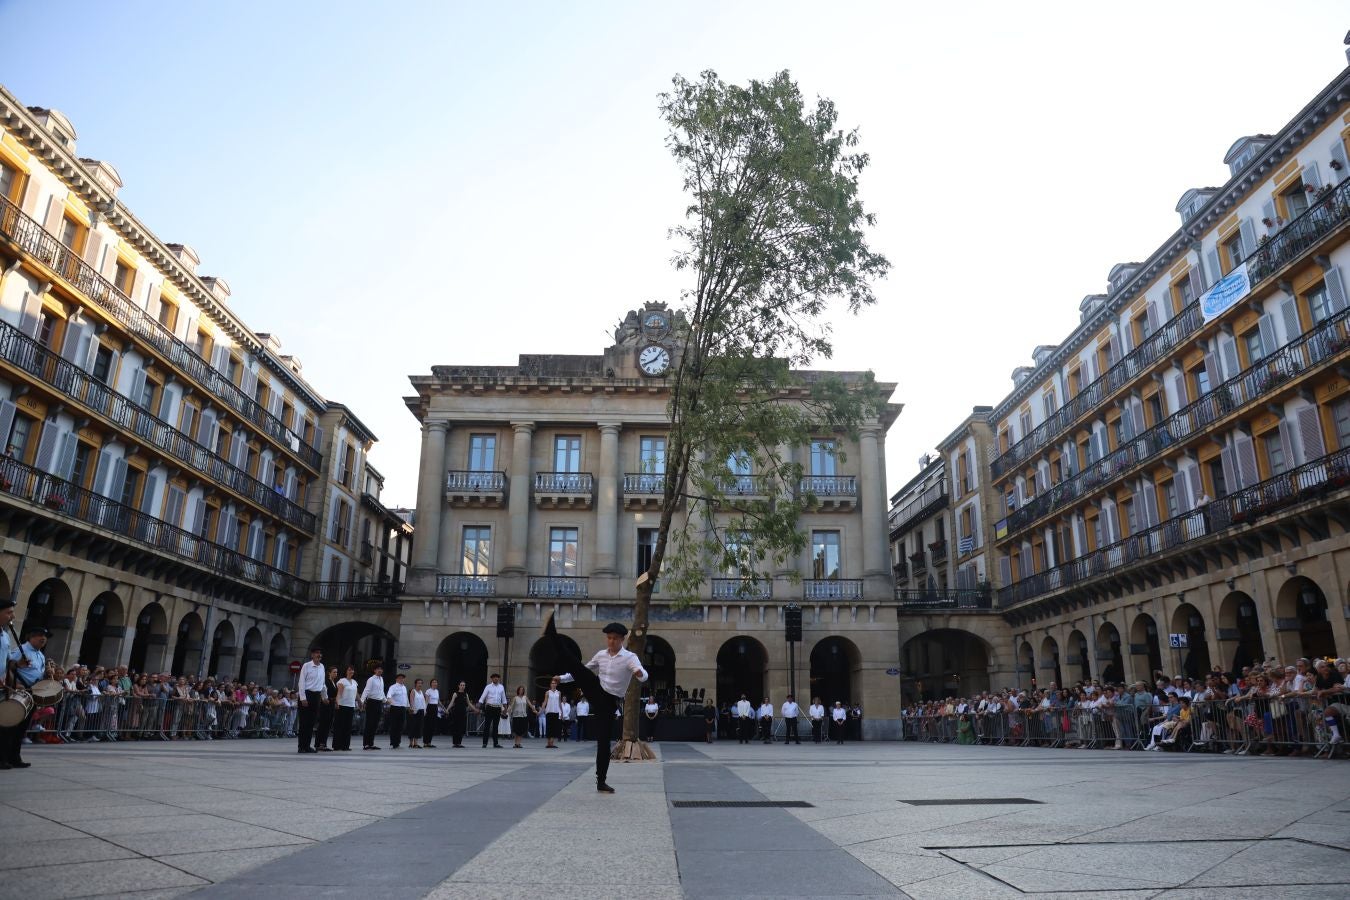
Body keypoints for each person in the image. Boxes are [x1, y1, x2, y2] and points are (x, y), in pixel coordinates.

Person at [547, 615, 648, 793]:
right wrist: (561, 678)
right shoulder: (601, 655)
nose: (611, 641)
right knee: (576, 665)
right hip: (596, 689)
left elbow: (643, 674)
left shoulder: (629, 657)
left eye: (615, 638)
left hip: (609, 702)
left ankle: (601, 781)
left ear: (622, 639)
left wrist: (640, 673)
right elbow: (582, 671)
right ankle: (552, 635)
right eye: (609, 638)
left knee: (603, 743)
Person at [4, 624, 49, 768]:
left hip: (32, 692)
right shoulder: (20, 651)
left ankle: (14, 757)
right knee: (11, 727)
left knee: (21, 728)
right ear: (31, 637)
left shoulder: (40, 654)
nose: (43, 639)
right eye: (39, 635)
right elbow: (8, 667)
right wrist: (14, 684)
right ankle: (3, 757)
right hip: (20, 692)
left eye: (45, 637)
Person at [296, 647, 324, 754]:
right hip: (307, 694)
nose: (319, 655)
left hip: (316, 695)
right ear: (312, 655)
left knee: (311, 722)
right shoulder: (306, 666)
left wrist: (324, 696)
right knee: (304, 722)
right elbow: (301, 682)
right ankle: (301, 746)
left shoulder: (322, 667)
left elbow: (322, 683)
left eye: (320, 653)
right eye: (317, 653)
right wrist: (303, 698)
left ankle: (307, 745)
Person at [359, 663, 386, 750]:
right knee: (369, 723)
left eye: (381, 669)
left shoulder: (381, 679)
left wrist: (385, 700)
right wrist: (362, 701)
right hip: (372, 702)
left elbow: (381, 691)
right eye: (378, 669)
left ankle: (371, 743)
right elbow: (366, 690)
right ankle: (366, 744)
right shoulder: (371, 679)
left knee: (375, 724)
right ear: (374, 670)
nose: (380, 670)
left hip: (379, 703)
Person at [333, 666, 357, 751]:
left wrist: (361, 702)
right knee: (340, 726)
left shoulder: (354, 682)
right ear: (346, 671)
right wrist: (337, 702)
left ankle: (345, 745)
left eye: (352, 670)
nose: (351, 671)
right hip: (342, 705)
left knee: (348, 726)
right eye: (349, 670)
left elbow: (356, 694)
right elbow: (339, 693)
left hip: (351, 706)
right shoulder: (342, 681)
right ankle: (337, 745)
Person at [479, 673, 506, 748]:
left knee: (495, 726)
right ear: (492, 679)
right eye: (494, 678)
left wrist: (505, 709)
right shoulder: (488, 687)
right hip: (489, 707)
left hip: (497, 708)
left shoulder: (501, 687)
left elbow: (503, 698)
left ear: (498, 679)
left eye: (497, 677)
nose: (496, 679)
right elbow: (482, 697)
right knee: (487, 726)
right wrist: (479, 707)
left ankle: (495, 743)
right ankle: (485, 743)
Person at [315, 666, 339, 752]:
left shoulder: (334, 682)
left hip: (332, 704)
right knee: (323, 724)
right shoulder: (326, 681)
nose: (335, 674)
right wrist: (323, 699)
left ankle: (323, 743)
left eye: (336, 672)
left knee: (328, 724)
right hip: (326, 704)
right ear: (329, 673)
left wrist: (336, 702)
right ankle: (319, 744)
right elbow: (322, 691)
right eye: (334, 672)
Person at [446, 680, 474, 748]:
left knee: (461, 728)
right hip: (456, 713)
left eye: (463, 685)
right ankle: (455, 743)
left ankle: (459, 743)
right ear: (459, 686)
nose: (462, 686)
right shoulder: (455, 693)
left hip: (463, 713)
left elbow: (469, 703)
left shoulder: (466, 694)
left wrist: (475, 709)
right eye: (461, 685)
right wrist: (447, 709)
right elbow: (452, 702)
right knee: (456, 727)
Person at [386, 673, 410, 749]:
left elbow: (406, 698)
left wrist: (408, 706)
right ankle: (393, 742)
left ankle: (398, 741)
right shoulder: (393, 687)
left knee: (401, 725)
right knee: (394, 726)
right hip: (395, 708)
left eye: (402, 678)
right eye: (400, 678)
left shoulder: (404, 687)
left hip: (402, 708)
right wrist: (389, 699)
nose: (401, 679)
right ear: (396, 679)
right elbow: (389, 695)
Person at [542, 677, 563, 749]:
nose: (553, 684)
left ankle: (551, 743)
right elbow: (545, 702)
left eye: (554, 683)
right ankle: (548, 743)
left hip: (556, 711)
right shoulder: (547, 692)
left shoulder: (559, 693)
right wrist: (541, 710)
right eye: (552, 683)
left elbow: (559, 702)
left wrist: (562, 712)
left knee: (554, 728)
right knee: (549, 727)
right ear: (550, 685)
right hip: (549, 711)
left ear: (556, 684)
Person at [409, 678, 427, 749]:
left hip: (421, 711)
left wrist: (425, 710)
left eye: (421, 683)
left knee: (418, 727)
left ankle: (416, 743)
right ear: (415, 684)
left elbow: (423, 701)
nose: (420, 684)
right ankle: (411, 743)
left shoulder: (421, 692)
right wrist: (413, 709)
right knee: (412, 727)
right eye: (418, 683)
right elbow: (411, 701)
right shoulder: (413, 691)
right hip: (414, 711)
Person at [424, 679, 441, 748]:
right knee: (428, 726)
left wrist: (444, 709)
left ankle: (429, 742)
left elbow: (438, 701)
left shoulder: (437, 691)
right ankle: (425, 742)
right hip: (429, 708)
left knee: (432, 726)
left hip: (435, 708)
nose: (435, 683)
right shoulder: (428, 691)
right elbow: (426, 701)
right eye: (433, 682)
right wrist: (425, 709)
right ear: (431, 684)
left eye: (436, 682)